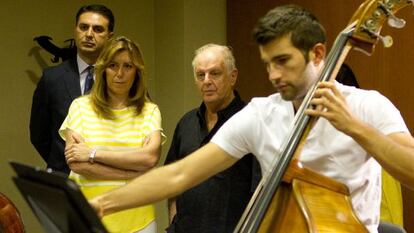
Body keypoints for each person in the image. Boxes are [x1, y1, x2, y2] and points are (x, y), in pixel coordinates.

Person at [90, 5, 414, 233]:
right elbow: (181, 174)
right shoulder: (261, 113)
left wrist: (355, 128)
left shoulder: (368, 106)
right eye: (267, 63)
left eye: (283, 61)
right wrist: (105, 203)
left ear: (317, 54)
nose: (273, 74)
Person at [60, 36, 164, 233]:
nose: (120, 73)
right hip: (86, 215)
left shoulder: (150, 111)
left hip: (138, 219)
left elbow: (149, 158)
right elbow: (76, 163)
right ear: (103, 69)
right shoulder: (80, 107)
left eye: (128, 66)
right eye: (113, 65)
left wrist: (92, 154)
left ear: (137, 72)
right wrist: (132, 173)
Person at [165, 44, 260, 233]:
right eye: (201, 75)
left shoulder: (253, 121)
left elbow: (260, 194)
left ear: (233, 76)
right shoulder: (186, 123)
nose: (206, 81)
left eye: (214, 73)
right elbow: (172, 181)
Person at [30, 4, 114, 174]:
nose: (89, 34)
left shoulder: (123, 77)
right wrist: (62, 164)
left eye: (98, 29)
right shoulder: (52, 78)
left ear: (109, 37)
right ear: (75, 30)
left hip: (110, 178)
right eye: (84, 27)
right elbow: (39, 135)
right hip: (64, 178)